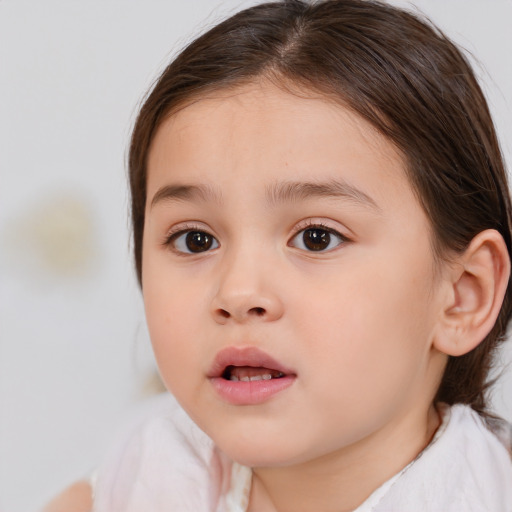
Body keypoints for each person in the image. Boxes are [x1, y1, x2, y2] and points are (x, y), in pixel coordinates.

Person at [45, 0, 512, 510]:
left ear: (463, 295)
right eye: (194, 239)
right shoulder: (138, 480)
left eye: (317, 237)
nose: (239, 293)